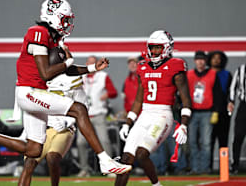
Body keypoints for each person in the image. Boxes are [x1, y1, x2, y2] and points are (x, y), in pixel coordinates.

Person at [0, 0, 131, 176]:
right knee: (79, 109)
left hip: (34, 93)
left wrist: (92, 68)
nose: (67, 23)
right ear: (52, 16)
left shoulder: (52, 38)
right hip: (29, 92)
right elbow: (46, 73)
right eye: (65, 19)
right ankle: (104, 160)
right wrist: (66, 62)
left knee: (33, 149)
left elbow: (66, 70)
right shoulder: (37, 32)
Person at [116, 30, 192, 186]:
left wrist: (184, 124)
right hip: (145, 114)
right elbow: (138, 100)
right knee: (126, 158)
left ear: (167, 48)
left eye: (158, 47)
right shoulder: (143, 67)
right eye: (152, 47)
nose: (154, 51)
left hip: (163, 115)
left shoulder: (175, 66)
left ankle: (156, 185)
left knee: (141, 154)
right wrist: (128, 122)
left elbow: (186, 99)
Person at [19, 69, 86, 186]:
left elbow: (83, 106)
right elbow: (31, 106)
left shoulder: (72, 79)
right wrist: (27, 130)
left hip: (63, 129)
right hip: (42, 127)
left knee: (52, 158)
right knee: (29, 163)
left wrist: (67, 121)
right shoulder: (38, 79)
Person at [76, 55, 117, 177]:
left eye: (93, 63)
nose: (92, 66)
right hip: (84, 115)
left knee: (104, 140)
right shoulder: (81, 76)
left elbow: (113, 92)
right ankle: (84, 169)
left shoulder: (103, 76)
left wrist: (107, 95)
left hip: (99, 114)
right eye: (89, 63)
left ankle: (110, 168)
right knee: (80, 142)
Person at [187, 50, 222, 174]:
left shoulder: (212, 74)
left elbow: (217, 93)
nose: (200, 62)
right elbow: (184, 93)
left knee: (206, 142)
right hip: (192, 112)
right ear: (195, 61)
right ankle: (195, 168)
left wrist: (216, 111)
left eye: (202, 59)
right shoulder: (189, 75)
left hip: (207, 112)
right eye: (198, 59)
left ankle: (205, 168)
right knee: (192, 142)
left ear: (205, 61)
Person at [207, 50, 232, 171]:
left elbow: (230, 94)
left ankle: (224, 169)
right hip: (208, 111)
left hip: (223, 112)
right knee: (208, 141)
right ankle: (208, 167)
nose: (217, 60)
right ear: (210, 60)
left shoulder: (227, 74)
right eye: (214, 58)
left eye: (219, 58)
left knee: (223, 140)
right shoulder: (206, 74)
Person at [228, 63, 246, 174]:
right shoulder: (241, 69)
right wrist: (231, 101)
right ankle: (235, 166)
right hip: (244, 105)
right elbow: (233, 87)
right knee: (238, 136)